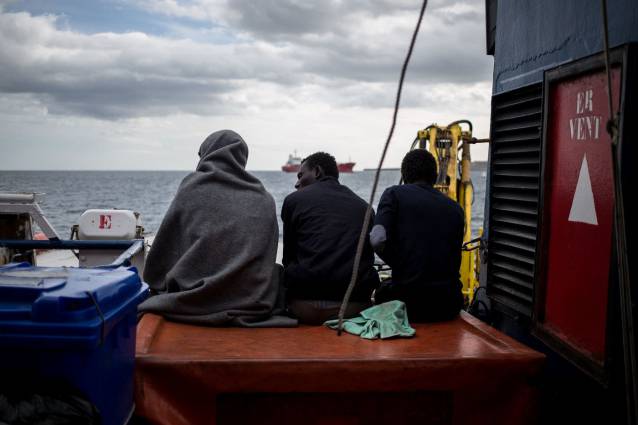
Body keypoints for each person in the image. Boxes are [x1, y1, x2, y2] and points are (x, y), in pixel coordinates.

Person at [138, 130, 295, 327]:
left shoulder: (191, 187)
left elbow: (164, 247)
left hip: (193, 296)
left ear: (208, 154)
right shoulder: (264, 197)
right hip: (251, 298)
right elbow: (268, 254)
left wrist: (156, 280)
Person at [281, 152, 379, 324]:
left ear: (318, 172)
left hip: (303, 307)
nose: (297, 183)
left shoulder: (293, 201)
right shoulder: (366, 208)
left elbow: (288, 258)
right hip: (355, 308)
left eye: (301, 175)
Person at [370, 149, 464, 322]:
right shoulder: (456, 208)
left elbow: (377, 240)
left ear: (404, 175)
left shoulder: (394, 194)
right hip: (449, 304)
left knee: (382, 290)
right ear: (435, 176)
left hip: (409, 304)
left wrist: (401, 262)